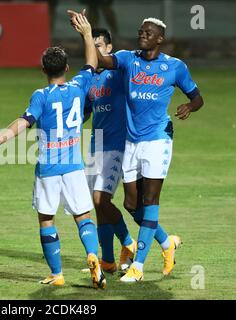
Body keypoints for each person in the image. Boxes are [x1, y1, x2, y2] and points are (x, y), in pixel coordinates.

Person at [70, 12, 204, 282]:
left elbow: (197, 96)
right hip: (130, 142)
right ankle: (166, 243)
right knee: (131, 204)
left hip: (156, 139)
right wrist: (85, 35)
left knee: (148, 200)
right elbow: (100, 63)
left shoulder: (175, 66)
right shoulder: (128, 60)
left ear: (160, 38)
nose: (141, 34)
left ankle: (138, 266)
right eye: (140, 31)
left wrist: (189, 106)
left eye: (147, 32)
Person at [0, 15, 106, 289]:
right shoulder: (79, 86)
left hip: (48, 168)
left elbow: (22, 123)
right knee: (83, 217)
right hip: (74, 165)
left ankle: (57, 274)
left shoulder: (41, 96)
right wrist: (86, 33)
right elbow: (92, 63)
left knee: (47, 219)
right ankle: (93, 255)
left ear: (43, 70)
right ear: (67, 68)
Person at [83, 27, 136, 274]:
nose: (95, 51)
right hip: (95, 146)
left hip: (117, 146)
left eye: (99, 46)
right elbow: (84, 113)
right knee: (99, 207)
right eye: (91, 46)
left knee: (100, 199)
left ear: (109, 48)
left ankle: (128, 243)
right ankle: (107, 261)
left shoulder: (119, 73)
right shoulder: (90, 79)